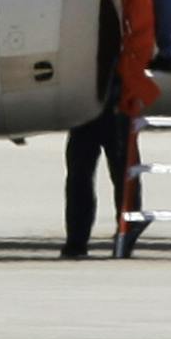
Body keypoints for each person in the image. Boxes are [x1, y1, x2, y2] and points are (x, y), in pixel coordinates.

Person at [60, 76, 131, 259]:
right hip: (91, 101)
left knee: (122, 176)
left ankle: (125, 237)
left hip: (112, 98)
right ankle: (77, 240)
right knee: (81, 176)